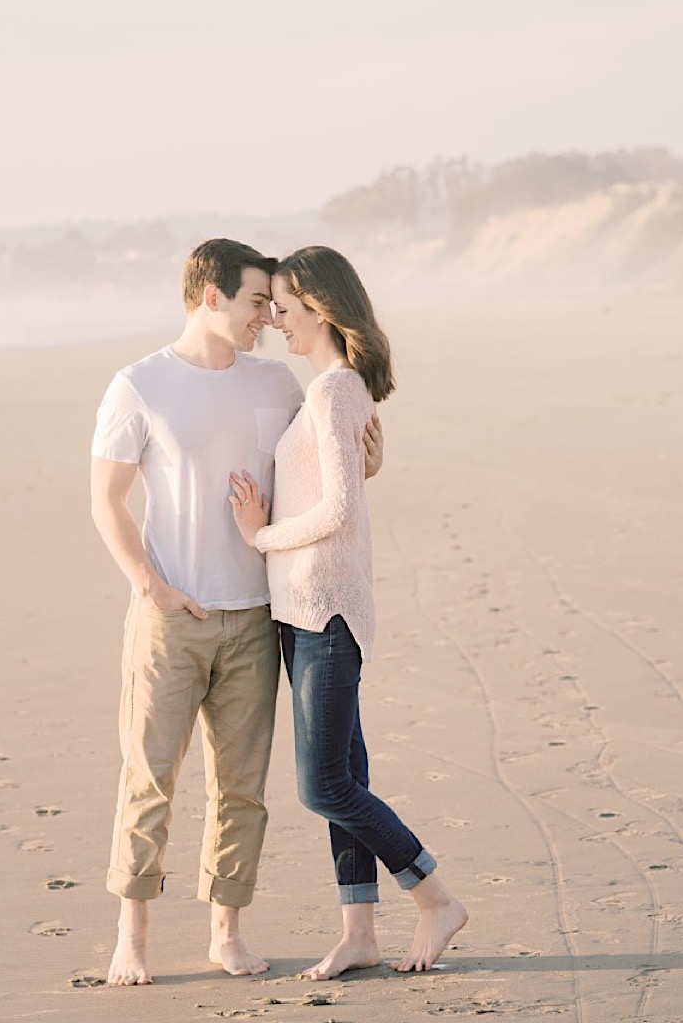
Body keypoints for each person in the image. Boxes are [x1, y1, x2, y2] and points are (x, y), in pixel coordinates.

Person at [90, 238, 382, 987]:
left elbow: (325, 461)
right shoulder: (140, 385)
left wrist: (370, 457)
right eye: (258, 301)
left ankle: (227, 930)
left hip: (257, 616)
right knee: (150, 780)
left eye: (272, 304)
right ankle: (133, 934)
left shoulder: (279, 384)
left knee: (241, 788)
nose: (269, 316)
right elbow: (106, 500)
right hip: (170, 617)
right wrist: (151, 587)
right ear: (210, 297)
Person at [229, 245, 468, 980]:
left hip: (326, 612)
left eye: (287, 310)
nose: (275, 323)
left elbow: (333, 510)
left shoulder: (333, 392)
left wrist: (257, 536)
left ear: (323, 309)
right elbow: (344, 486)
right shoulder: (334, 390)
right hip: (303, 611)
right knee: (348, 776)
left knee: (323, 785)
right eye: (268, 309)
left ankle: (434, 895)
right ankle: (359, 932)